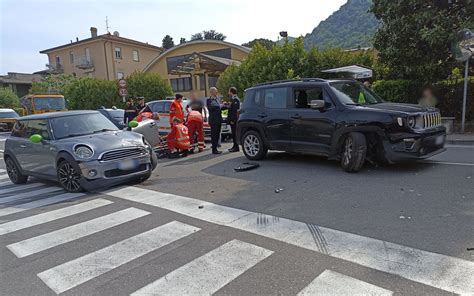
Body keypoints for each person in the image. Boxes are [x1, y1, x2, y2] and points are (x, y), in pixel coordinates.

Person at [206, 87, 223, 154]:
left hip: (219, 119)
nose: (216, 93)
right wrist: (220, 106)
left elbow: (219, 108)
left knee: (218, 134)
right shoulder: (209, 100)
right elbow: (211, 108)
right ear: (211, 92)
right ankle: (214, 149)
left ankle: (216, 147)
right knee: (214, 135)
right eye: (215, 91)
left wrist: (225, 106)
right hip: (213, 120)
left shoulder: (218, 99)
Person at [227, 87, 241, 152]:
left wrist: (232, 120)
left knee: (234, 133)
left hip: (234, 120)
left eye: (229, 91)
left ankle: (236, 147)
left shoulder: (235, 99)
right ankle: (234, 145)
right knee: (233, 133)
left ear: (231, 92)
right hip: (233, 119)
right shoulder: (233, 99)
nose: (228, 93)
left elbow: (234, 111)